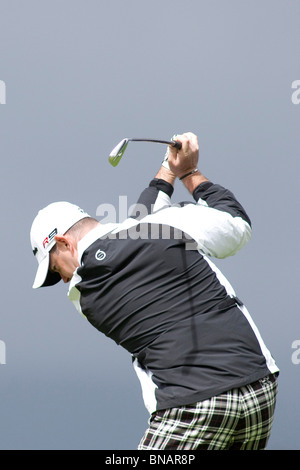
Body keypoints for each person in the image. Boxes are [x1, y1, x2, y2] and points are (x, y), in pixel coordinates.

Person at [30, 132, 279, 450]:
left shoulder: (84, 294)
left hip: (192, 407)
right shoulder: (165, 227)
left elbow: (135, 226)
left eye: (55, 269)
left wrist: (167, 172)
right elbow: (236, 225)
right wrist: (190, 174)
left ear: (64, 243)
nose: (64, 280)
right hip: (258, 389)